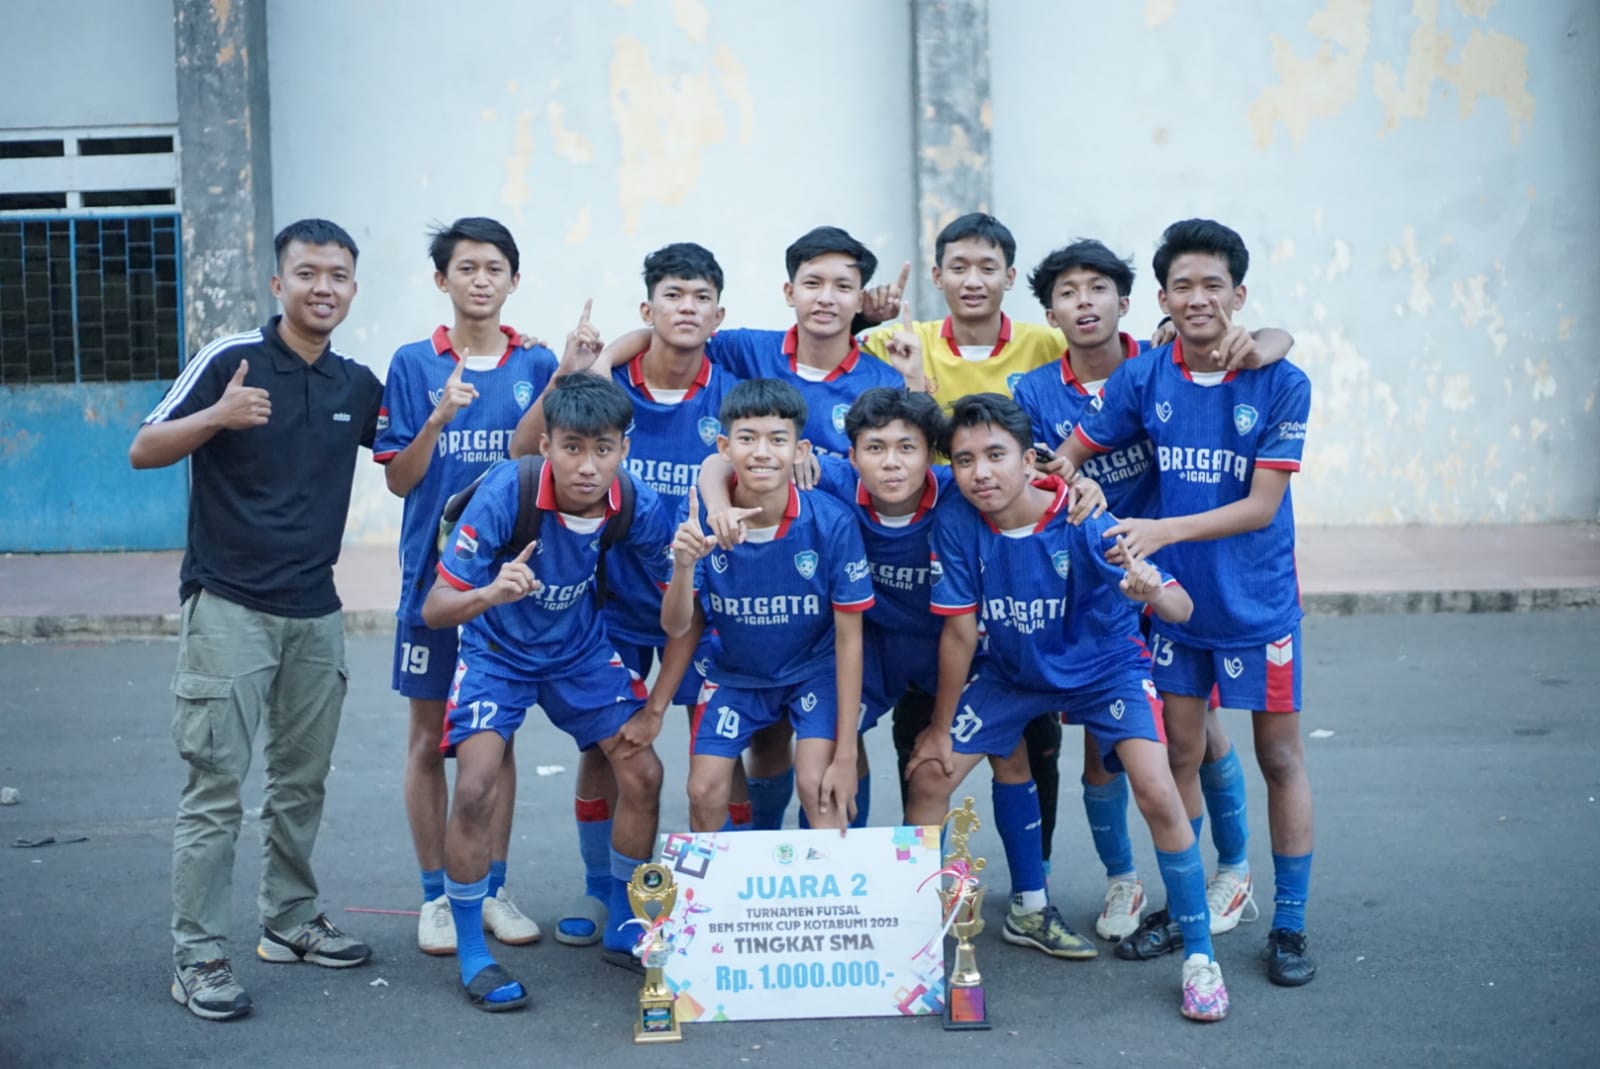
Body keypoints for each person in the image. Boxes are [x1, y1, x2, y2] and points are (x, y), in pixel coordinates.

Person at [904, 393, 1229, 1021]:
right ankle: (915, 952)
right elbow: (960, 631)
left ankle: (1200, 957)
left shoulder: (1085, 517)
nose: (981, 473)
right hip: (1012, 674)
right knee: (928, 777)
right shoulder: (957, 517)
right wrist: (939, 729)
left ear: (1030, 461)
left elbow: (1182, 608)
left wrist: (1150, 591)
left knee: (1157, 790)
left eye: (996, 456)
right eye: (965, 460)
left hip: (1106, 671)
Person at [131, 218, 382, 1021]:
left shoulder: (356, 383)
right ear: (279, 283)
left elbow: (407, 462)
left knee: (301, 781)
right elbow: (144, 447)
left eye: (337, 275)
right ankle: (198, 955)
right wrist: (218, 416)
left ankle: (290, 918)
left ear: (352, 288)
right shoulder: (230, 360)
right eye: (307, 273)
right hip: (229, 605)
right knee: (216, 787)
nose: (322, 287)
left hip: (316, 609)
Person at [1062, 218, 1317, 986]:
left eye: (1213, 284)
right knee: (1179, 753)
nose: (1198, 297)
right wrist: (1075, 484)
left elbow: (1262, 506)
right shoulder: (1145, 376)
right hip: (1175, 605)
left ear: (1239, 293)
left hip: (1258, 604)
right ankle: (1186, 908)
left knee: (1279, 758)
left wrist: (1162, 530)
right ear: (1163, 299)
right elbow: (1076, 451)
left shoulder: (1282, 380)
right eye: (1183, 285)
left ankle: (1291, 924)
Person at [422, 370, 689, 1010]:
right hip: (497, 652)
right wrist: (490, 593)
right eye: (572, 447)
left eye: (603, 449)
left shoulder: (637, 501)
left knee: (643, 771)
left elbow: (684, 617)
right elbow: (435, 608)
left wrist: (656, 708)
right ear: (546, 446)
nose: (588, 466)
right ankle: (473, 949)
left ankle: (624, 919)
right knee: (477, 784)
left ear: (624, 449)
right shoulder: (505, 492)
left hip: (578, 650)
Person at [507, 242, 738, 946]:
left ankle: (722, 896)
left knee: (715, 752)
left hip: (699, 604)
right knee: (606, 748)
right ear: (648, 307)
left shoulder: (732, 391)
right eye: (673, 295)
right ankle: (604, 889)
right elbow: (523, 454)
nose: (687, 308)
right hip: (608, 603)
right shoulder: (609, 385)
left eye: (700, 297)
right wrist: (580, 367)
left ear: (719, 314)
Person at [374, 217, 557, 956]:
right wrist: (438, 419)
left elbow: (534, 455)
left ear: (514, 279)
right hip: (433, 580)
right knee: (428, 739)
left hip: (509, 582)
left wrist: (573, 368)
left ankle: (490, 889)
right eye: (466, 267)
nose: (481, 280)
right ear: (441, 279)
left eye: (494, 268)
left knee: (494, 739)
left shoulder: (537, 361)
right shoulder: (413, 363)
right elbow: (399, 479)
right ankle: (434, 898)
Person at [661, 379, 875, 832]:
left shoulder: (831, 522)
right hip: (734, 674)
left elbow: (849, 638)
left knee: (819, 786)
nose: (762, 452)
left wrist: (846, 753)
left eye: (778, 440)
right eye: (747, 438)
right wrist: (683, 566)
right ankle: (729, 877)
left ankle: (832, 882)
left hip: (812, 672)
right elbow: (677, 626)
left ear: (800, 451)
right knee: (703, 791)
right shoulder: (700, 516)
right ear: (725, 447)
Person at [859, 212, 1064, 410]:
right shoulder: (904, 342)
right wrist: (863, 319)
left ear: (1009, 278)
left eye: (988, 269)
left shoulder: (1049, 345)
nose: (973, 282)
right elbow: (840, 358)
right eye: (958, 268)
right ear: (938, 276)